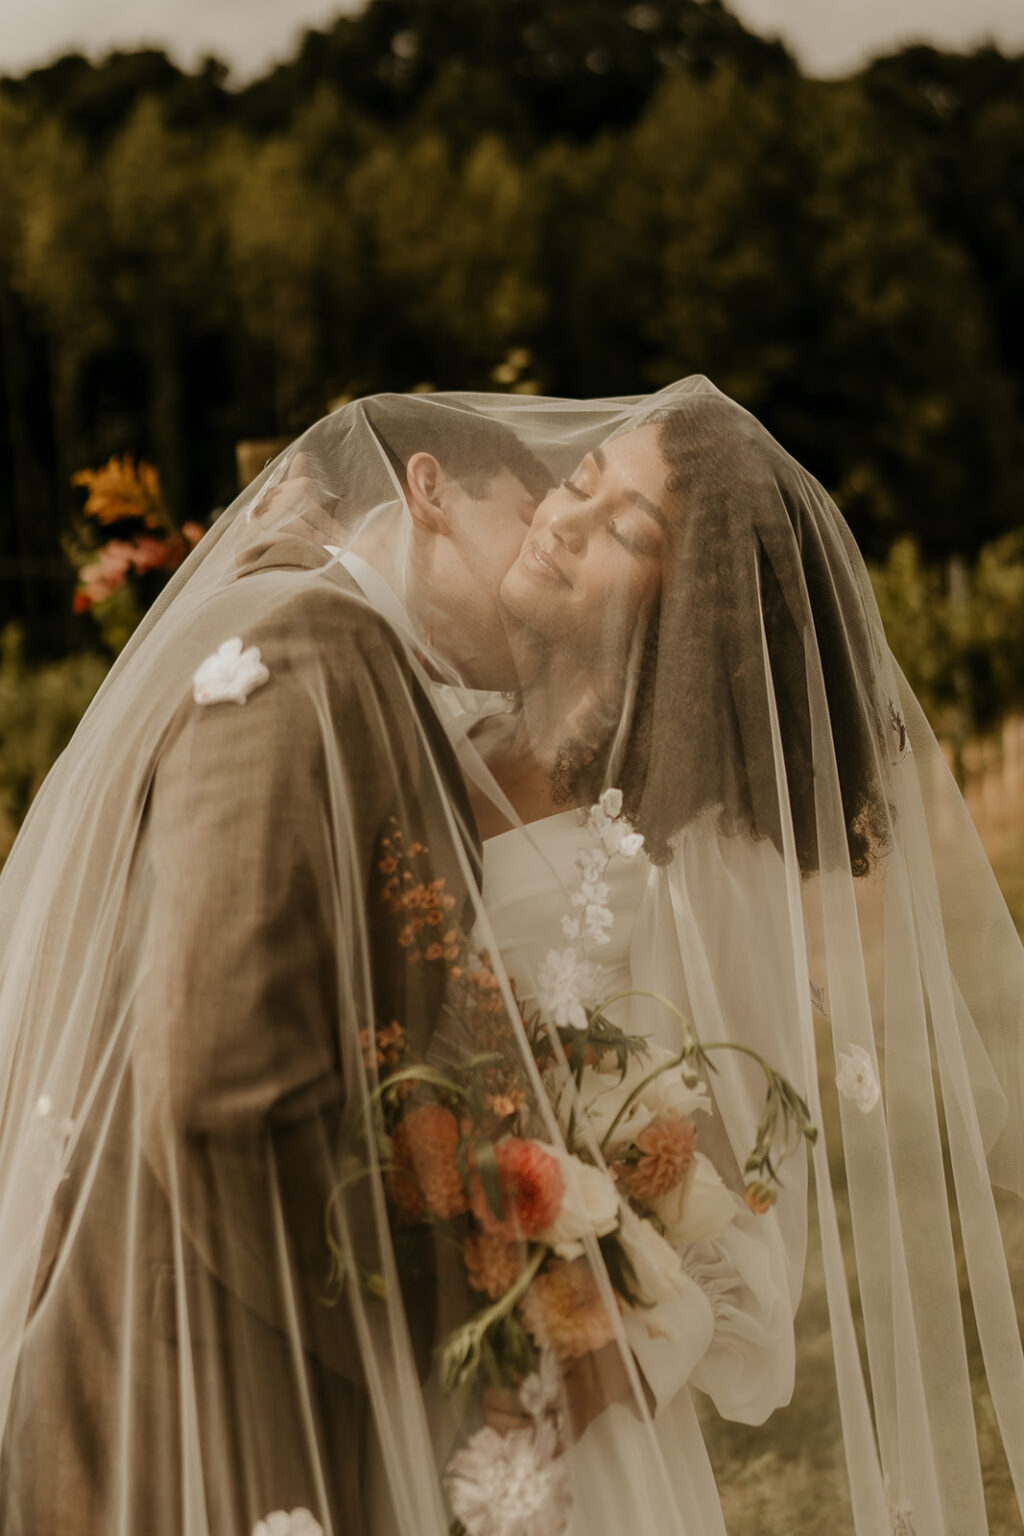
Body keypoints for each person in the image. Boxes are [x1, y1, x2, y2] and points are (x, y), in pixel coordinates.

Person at [440, 379, 1024, 1534]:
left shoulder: (694, 859)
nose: (564, 517)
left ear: (687, 607)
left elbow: (742, 1274)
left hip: (552, 1431)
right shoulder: (434, 712)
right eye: (580, 479)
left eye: (625, 530)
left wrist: (543, 1381)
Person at [0, 393, 552, 1535]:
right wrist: (425, 1329)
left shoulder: (346, 653)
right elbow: (217, 1083)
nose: (542, 563)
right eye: (529, 512)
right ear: (432, 489)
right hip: (190, 1389)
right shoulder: (313, 643)